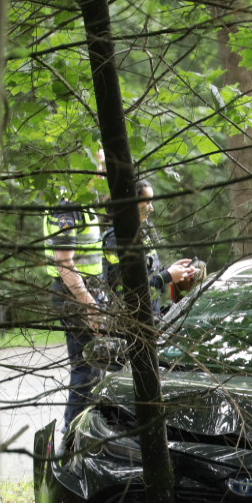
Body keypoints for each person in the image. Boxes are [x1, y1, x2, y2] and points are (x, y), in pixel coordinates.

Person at [101, 179, 201, 320]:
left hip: (148, 314)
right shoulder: (116, 239)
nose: (151, 208)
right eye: (147, 202)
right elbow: (127, 287)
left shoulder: (138, 233)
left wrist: (172, 271)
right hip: (130, 320)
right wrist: (167, 276)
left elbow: (146, 272)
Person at [48, 202, 106, 426]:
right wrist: (89, 304)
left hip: (88, 293)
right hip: (76, 297)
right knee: (85, 368)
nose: (104, 165)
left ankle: (88, 430)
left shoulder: (86, 201)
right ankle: (71, 435)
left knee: (96, 367)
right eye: (102, 163)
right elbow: (64, 262)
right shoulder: (68, 205)